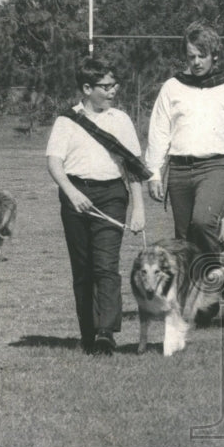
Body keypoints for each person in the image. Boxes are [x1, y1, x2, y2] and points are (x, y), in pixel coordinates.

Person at [146, 22, 224, 318]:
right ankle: (200, 303)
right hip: (180, 169)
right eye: (191, 56)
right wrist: (154, 172)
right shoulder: (172, 86)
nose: (195, 62)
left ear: (214, 55)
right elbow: (159, 130)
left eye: (201, 56)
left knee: (203, 221)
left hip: (216, 166)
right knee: (183, 238)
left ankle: (215, 280)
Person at [46, 58, 147, 355]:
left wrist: (138, 208)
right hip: (75, 195)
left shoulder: (121, 120)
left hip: (112, 195)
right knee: (83, 268)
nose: (112, 91)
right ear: (87, 88)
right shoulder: (66, 121)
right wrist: (71, 193)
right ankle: (88, 334)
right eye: (105, 86)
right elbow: (54, 162)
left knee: (105, 264)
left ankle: (106, 332)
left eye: (114, 84)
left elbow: (132, 167)